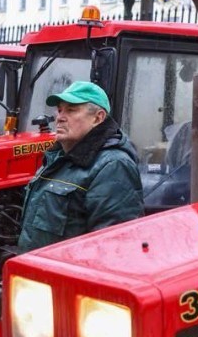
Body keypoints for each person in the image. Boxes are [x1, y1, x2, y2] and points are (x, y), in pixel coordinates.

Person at [17, 80, 144, 252]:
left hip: (65, 275)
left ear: (98, 118)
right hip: (38, 272)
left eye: (71, 110)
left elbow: (113, 247)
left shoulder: (113, 166)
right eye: (60, 110)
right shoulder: (57, 157)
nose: (60, 117)